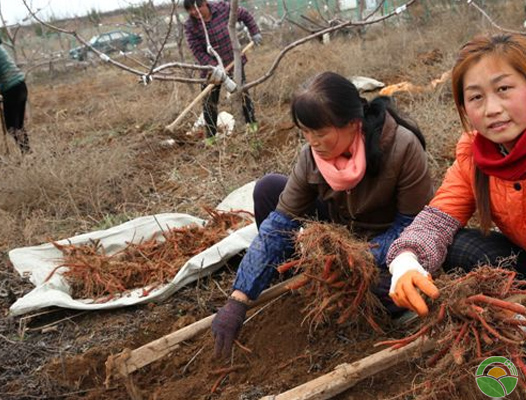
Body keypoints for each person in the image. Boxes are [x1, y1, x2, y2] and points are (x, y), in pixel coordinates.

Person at [386, 33, 526, 360]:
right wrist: (406, 260)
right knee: (456, 246)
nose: (493, 110)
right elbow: (437, 220)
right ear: (463, 107)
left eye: (504, 89)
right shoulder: (476, 154)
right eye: (476, 97)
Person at [211, 71, 434, 358]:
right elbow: (279, 223)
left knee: (389, 291)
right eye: (305, 132)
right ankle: (300, 274)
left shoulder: (402, 147)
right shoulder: (311, 157)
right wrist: (239, 298)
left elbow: (414, 226)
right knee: (268, 188)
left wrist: (358, 259)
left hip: (391, 241)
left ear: (353, 123)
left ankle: (364, 292)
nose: (312, 141)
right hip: (342, 230)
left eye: (320, 132)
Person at [183, 0, 261, 143]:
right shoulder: (190, 25)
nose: (195, 12)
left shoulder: (223, 8)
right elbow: (197, 51)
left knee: (242, 94)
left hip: (234, 62)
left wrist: (254, 32)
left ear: (205, 3)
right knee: (209, 102)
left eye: (197, 7)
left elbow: (246, 15)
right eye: (190, 10)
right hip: (211, 70)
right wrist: (215, 67)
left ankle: (252, 125)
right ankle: (211, 138)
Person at [0, 39, 29, 154]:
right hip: (20, 85)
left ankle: (27, 152)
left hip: (12, 89)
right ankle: (27, 153)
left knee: (12, 127)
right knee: (18, 126)